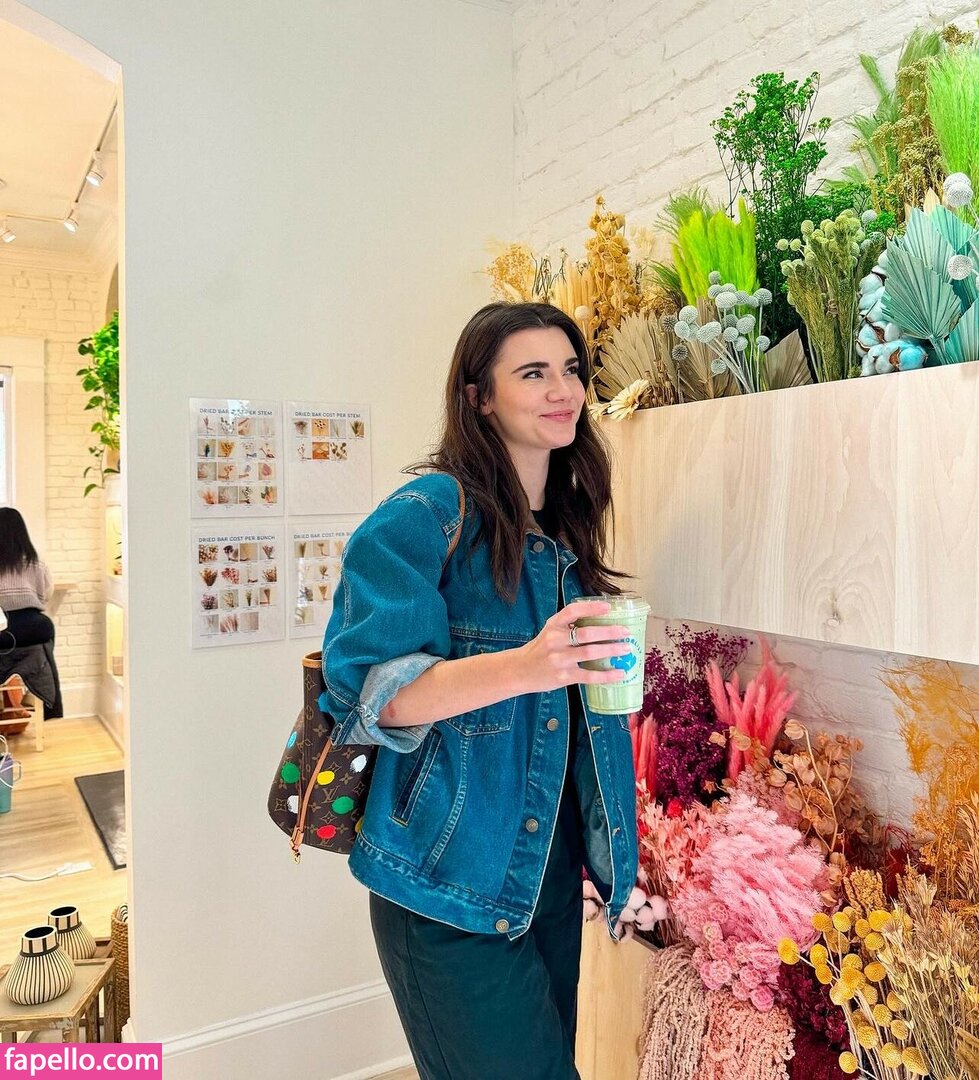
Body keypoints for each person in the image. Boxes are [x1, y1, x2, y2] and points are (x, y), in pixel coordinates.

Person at [320, 302, 639, 1080]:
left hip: (544, 876)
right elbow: (374, 697)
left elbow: (551, 719)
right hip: (445, 886)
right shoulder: (424, 516)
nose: (562, 390)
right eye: (532, 373)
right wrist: (531, 665)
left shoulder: (562, 525)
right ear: (479, 396)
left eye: (570, 370)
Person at [0, 508, 64, 721]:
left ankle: (10, 703)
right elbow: (45, 596)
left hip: (6, 630)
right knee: (44, 646)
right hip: (35, 627)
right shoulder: (36, 563)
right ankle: (49, 704)